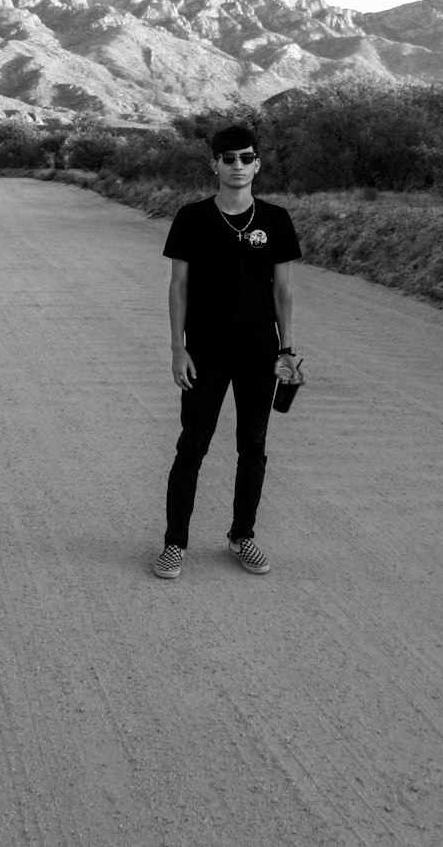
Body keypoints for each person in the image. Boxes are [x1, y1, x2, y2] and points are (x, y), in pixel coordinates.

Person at [153, 123, 303, 579]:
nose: (237, 166)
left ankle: (243, 536)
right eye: (228, 158)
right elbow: (178, 287)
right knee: (191, 448)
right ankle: (174, 544)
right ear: (214, 164)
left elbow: (283, 290)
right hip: (206, 352)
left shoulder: (275, 220)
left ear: (257, 164)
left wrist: (287, 350)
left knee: (252, 448)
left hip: (259, 353)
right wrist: (178, 349)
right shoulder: (192, 218)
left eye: (246, 158)